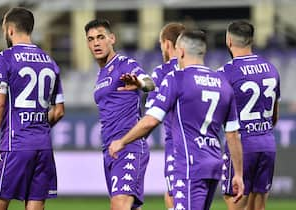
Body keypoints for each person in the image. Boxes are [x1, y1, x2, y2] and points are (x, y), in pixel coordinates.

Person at [109, 30, 244, 210]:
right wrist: (239, 174)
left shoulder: (177, 78)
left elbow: (151, 120)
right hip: (213, 165)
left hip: (189, 164)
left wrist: (122, 141)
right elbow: (233, 135)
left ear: (180, 51)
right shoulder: (223, 83)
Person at [0, 7, 65, 210]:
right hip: (43, 148)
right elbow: (59, 110)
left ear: (9, 30)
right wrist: (37, 126)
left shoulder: (3, 59)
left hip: (15, 144)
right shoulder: (50, 62)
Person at [84, 19, 155, 210]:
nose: (96, 43)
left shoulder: (125, 63)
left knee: (119, 204)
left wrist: (140, 84)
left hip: (128, 144)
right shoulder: (101, 74)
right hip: (111, 148)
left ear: (112, 39)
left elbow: (150, 84)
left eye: (100, 37)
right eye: (91, 39)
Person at [219, 20, 280, 210]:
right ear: (251, 40)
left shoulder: (226, 72)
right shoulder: (271, 68)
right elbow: (274, 116)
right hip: (267, 143)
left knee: (235, 202)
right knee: (259, 206)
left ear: (229, 40)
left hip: (241, 145)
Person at [145, 22, 185, 210]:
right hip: (205, 148)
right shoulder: (202, 71)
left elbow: (151, 114)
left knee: (173, 195)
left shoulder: (162, 73)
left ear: (167, 44)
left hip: (177, 145)